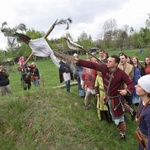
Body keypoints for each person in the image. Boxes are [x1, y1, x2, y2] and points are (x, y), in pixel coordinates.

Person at [73, 55, 134, 139]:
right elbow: (92, 65)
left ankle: (122, 134)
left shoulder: (121, 73)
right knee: (118, 110)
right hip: (108, 97)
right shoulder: (104, 67)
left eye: (110, 61)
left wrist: (126, 90)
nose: (107, 62)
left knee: (119, 118)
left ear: (116, 64)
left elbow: (130, 84)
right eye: (107, 60)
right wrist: (79, 61)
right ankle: (131, 111)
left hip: (116, 99)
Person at [135, 75, 150, 150]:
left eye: (139, 86)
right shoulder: (143, 101)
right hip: (142, 138)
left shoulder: (149, 113)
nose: (135, 86)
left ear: (146, 90)